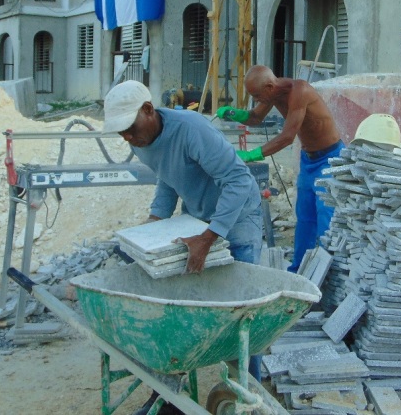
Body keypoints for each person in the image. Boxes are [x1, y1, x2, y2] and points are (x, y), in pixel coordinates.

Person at [103, 81, 265, 414]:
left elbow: (238, 180)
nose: (127, 138)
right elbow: (167, 176)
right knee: (180, 314)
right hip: (195, 222)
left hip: (237, 219)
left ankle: (248, 396)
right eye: (120, 133)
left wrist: (210, 236)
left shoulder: (192, 130)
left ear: (149, 110)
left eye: (129, 129)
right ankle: (168, 395)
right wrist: (155, 222)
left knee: (244, 317)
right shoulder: (140, 139)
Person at [216, 65, 344, 274]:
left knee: (325, 216)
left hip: (330, 158)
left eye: (257, 95)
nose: (257, 100)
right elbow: (256, 118)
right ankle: (298, 270)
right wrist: (234, 114)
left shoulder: (299, 91)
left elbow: (287, 137)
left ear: (269, 86)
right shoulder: (272, 93)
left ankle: (328, 273)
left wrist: (252, 154)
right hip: (309, 159)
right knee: (304, 217)